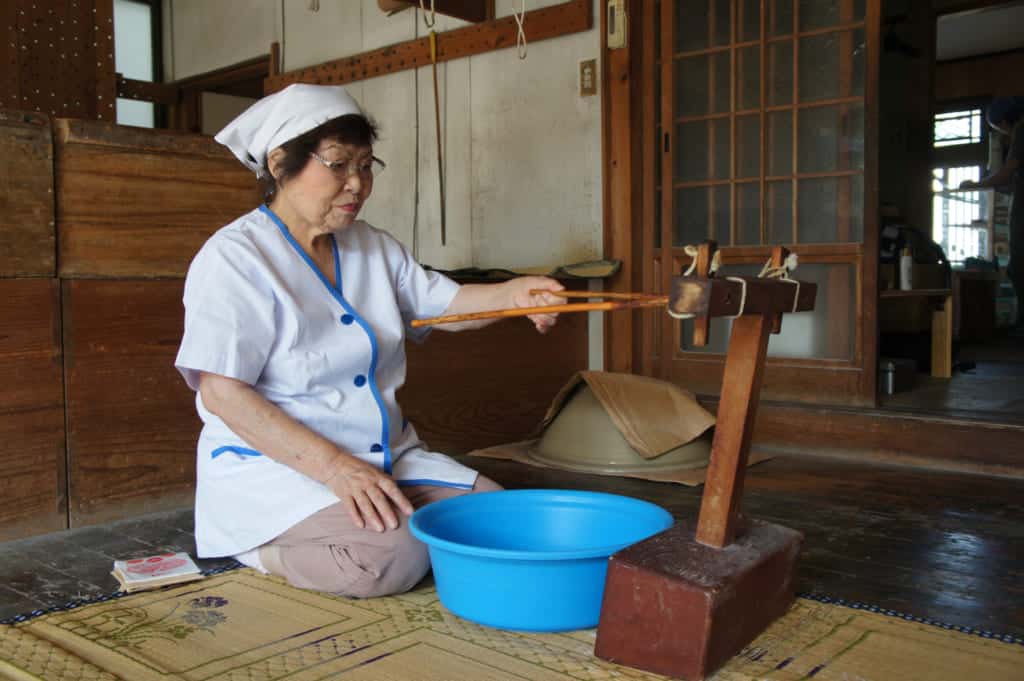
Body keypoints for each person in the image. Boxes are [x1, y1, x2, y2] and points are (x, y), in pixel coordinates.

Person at [174, 84, 566, 598]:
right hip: (281, 464)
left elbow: (441, 307)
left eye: (365, 165)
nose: (356, 183)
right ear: (278, 164)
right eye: (337, 164)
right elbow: (223, 393)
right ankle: (256, 547)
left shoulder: (371, 246)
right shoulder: (236, 258)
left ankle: (391, 524)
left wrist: (514, 295)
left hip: (382, 453)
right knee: (389, 557)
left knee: (494, 514)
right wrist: (335, 469)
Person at [959, 96, 1024, 322]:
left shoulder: (1022, 130)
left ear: (1005, 122)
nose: (1003, 133)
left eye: (999, 128)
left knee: (1018, 265)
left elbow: (1006, 172)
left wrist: (977, 184)